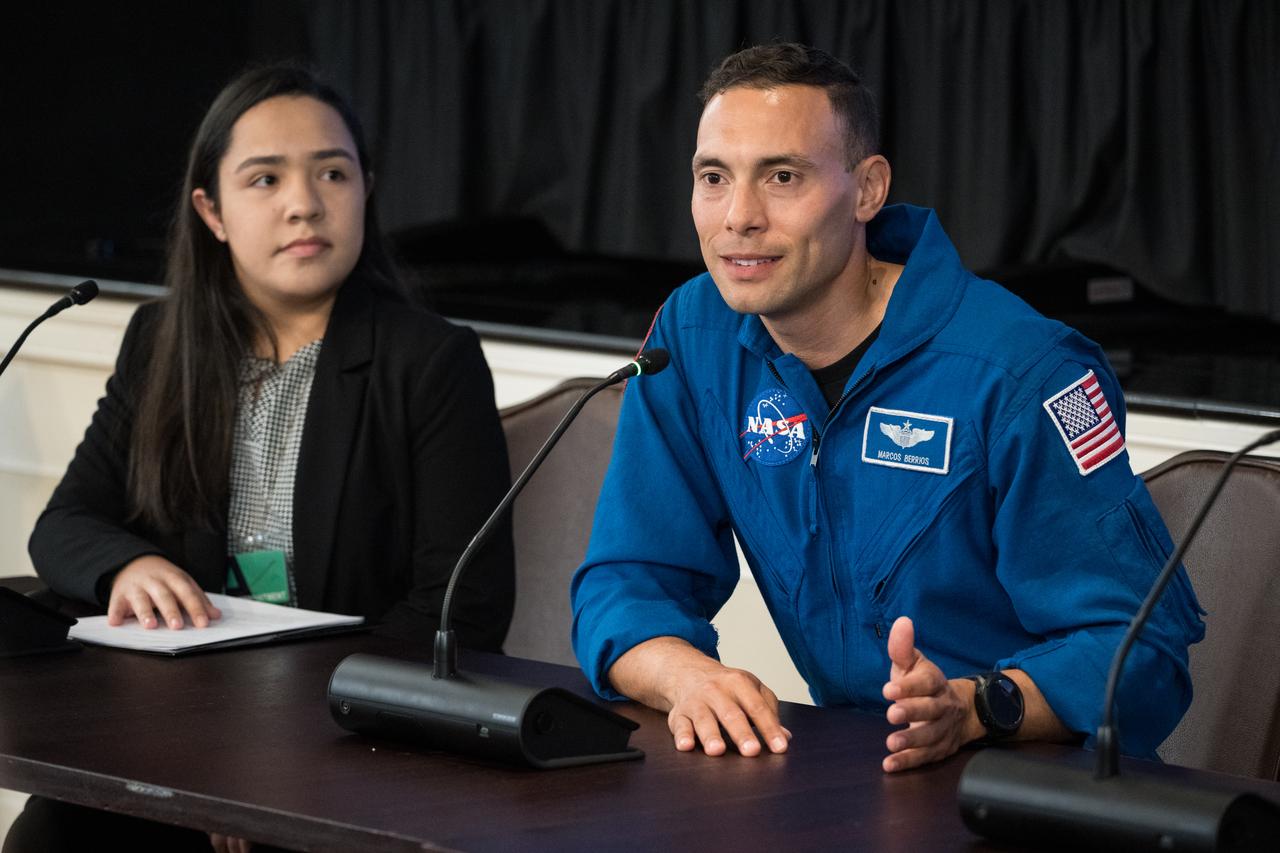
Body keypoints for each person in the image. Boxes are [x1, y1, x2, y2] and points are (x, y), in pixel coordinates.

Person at [570, 43, 1205, 773]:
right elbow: (626, 581)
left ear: (868, 190)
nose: (738, 217)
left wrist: (979, 707)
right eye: (714, 177)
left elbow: (1144, 652)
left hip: (1036, 783)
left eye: (782, 176)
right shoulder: (694, 335)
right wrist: (690, 676)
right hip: (855, 774)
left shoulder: (1021, 370)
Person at [10, 64, 514, 852]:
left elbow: (462, 607)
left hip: (350, 745)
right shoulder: (160, 343)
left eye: (333, 173)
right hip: (172, 732)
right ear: (210, 210)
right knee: (51, 834)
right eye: (265, 178)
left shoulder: (433, 361)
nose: (304, 203)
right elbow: (66, 522)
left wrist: (277, 753)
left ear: (365, 189)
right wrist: (125, 568)